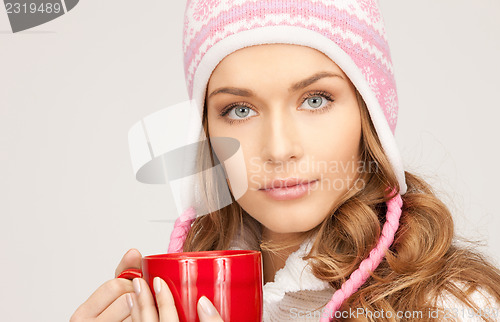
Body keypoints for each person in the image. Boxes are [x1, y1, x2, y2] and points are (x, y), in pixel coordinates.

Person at [71, 0, 500, 321]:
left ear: (370, 117)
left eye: (315, 100)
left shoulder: (454, 307)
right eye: (239, 109)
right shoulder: (184, 303)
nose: (278, 149)